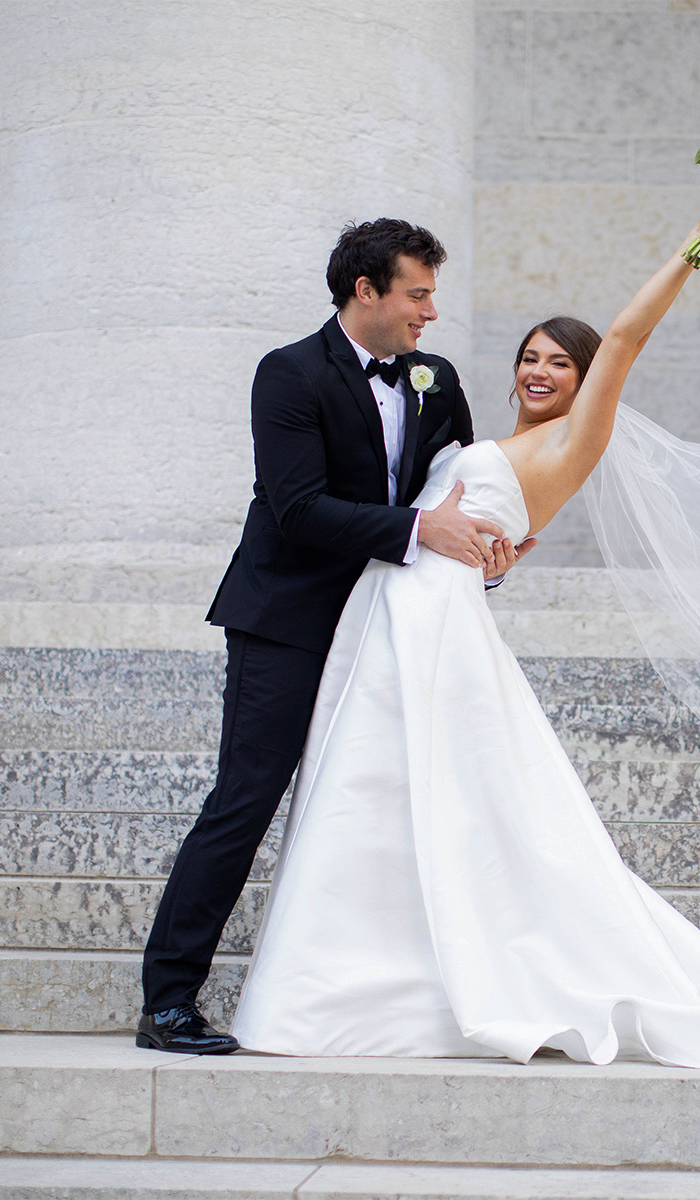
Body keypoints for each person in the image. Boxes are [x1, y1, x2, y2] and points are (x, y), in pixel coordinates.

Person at [229, 200, 700, 1069]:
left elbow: (623, 337)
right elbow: (424, 517)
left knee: (444, 802)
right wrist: (485, 552)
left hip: (438, 630)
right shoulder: (479, 429)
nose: (543, 371)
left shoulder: (576, 443)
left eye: (562, 362)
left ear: (588, 382)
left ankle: (380, 995)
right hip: (389, 616)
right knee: (378, 802)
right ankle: (372, 984)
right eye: (531, 358)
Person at [137, 219, 533, 1054]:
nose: (430, 313)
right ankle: (168, 1000)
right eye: (417, 293)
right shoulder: (287, 373)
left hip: (395, 626)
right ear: (367, 290)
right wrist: (422, 531)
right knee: (244, 801)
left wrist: (485, 552)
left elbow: (454, 492)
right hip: (288, 619)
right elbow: (298, 507)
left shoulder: (436, 377)